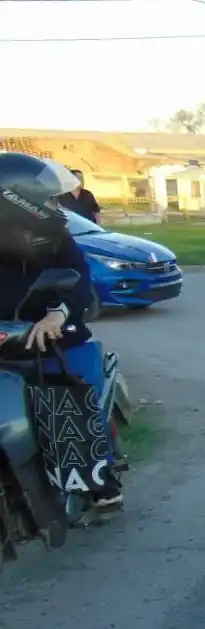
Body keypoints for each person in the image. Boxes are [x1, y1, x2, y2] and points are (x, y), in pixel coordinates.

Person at [0, 152, 122, 507]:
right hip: (5, 344)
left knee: (75, 399)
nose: (57, 206)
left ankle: (101, 480)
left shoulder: (56, 236)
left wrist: (58, 314)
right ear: (18, 199)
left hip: (57, 340)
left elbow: (80, 279)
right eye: (50, 199)